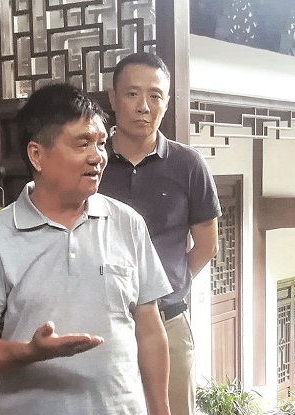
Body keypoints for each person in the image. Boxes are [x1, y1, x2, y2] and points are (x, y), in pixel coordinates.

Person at [0, 83, 173, 415]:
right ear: (37, 155)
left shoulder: (127, 222)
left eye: (101, 143)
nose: (97, 157)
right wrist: (32, 352)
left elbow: (150, 329)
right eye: (82, 143)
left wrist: (161, 410)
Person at [99, 52, 221, 415]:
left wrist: (167, 284)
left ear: (166, 102)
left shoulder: (188, 164)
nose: (143, 106)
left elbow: (207, 245)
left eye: (155, 96)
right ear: (113, 98)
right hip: (103, 325)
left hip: (169, 324)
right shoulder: (93, 163)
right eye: (132, 94)